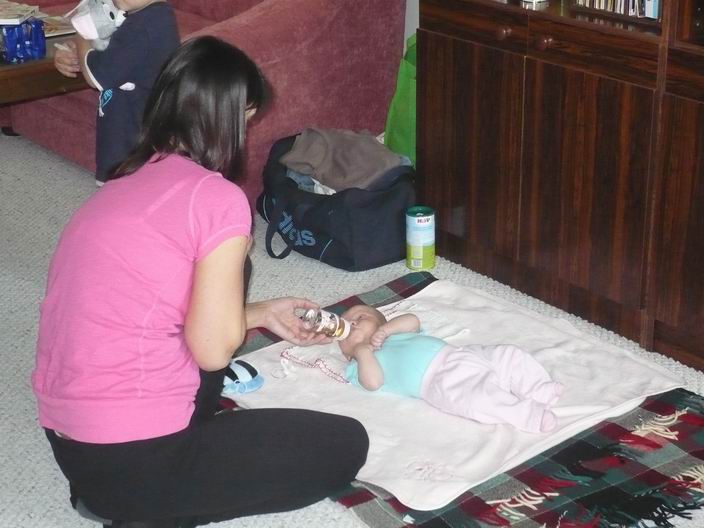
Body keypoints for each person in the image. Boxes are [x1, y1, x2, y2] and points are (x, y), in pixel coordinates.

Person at [33, 36, 369, 528]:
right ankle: (148, 510)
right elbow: (212, 352)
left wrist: (257, 314)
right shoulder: (218, 199)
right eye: (247, 120)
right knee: (346, 443)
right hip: (135, 458)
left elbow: (144, 305)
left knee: (221, 278)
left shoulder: (123, 182)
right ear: (231, 116)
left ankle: (131, 496)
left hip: (72, 445)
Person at [338, 304, 564, 434]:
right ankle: (528, 415)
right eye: (343, 329)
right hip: (441, 382)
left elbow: (413, 320)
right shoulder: (359, 364)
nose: (352, 324)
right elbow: (373, 382)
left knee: (508, 355)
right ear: (346, 354)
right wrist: (362, 352)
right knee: (479, 400)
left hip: (460, 353)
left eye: (359, 317)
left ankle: (537, 388)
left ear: (380, 321)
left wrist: (386, 330)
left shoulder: (392, 331)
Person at [53, 0, 180, 185]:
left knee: (121, 187)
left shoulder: (142, 26)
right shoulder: (147, 16)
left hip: (131, 133)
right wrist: (74, 49)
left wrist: (81, 36)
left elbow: (97, 76)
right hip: (129, 124)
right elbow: (106, 46)